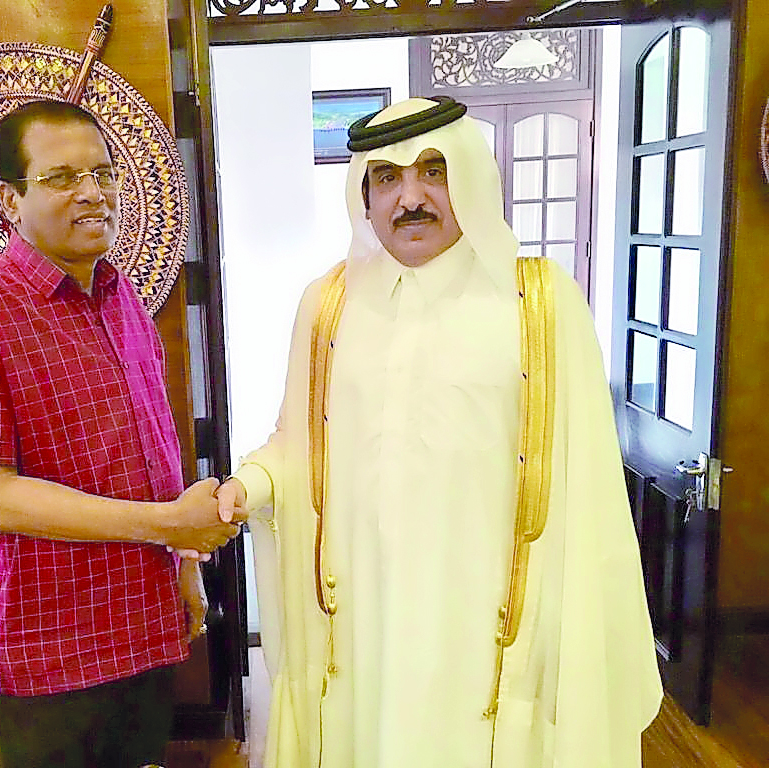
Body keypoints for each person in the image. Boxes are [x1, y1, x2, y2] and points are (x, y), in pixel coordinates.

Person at [216, 96, 663, 768]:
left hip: (487, 616)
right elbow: (296, 446)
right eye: (387, 178)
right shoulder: (329, 304)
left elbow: (587, 482)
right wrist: (246, 487)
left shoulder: (538, 302)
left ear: (472, 179)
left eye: (433, 170)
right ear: (364, 196)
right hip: (367, 611)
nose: (411, 198)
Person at [0, 99, 241, 768]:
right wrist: (166, 525)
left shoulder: (120, 295)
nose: (92, 193)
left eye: (103, 172)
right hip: (49, 645)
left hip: (145, 624)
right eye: (62, 177)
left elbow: (154, 445)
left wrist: (181, 564)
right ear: (10, 197)